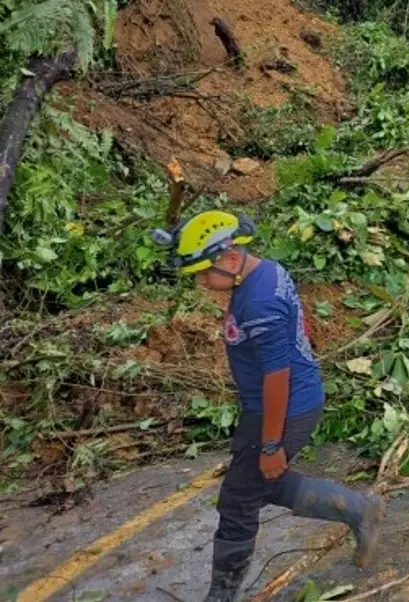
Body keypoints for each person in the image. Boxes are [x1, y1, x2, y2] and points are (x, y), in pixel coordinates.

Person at [150, 211, 386, 602]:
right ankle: (359, 509)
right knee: (261, 483)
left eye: (203, 273)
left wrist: (272, 444)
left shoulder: (259, 304)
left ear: (228, 258)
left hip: (286, 408)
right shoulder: (265, 271)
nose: (201, 282)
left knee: (239, 500)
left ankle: (221, 596)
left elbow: (278, 378)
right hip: (273, 406)